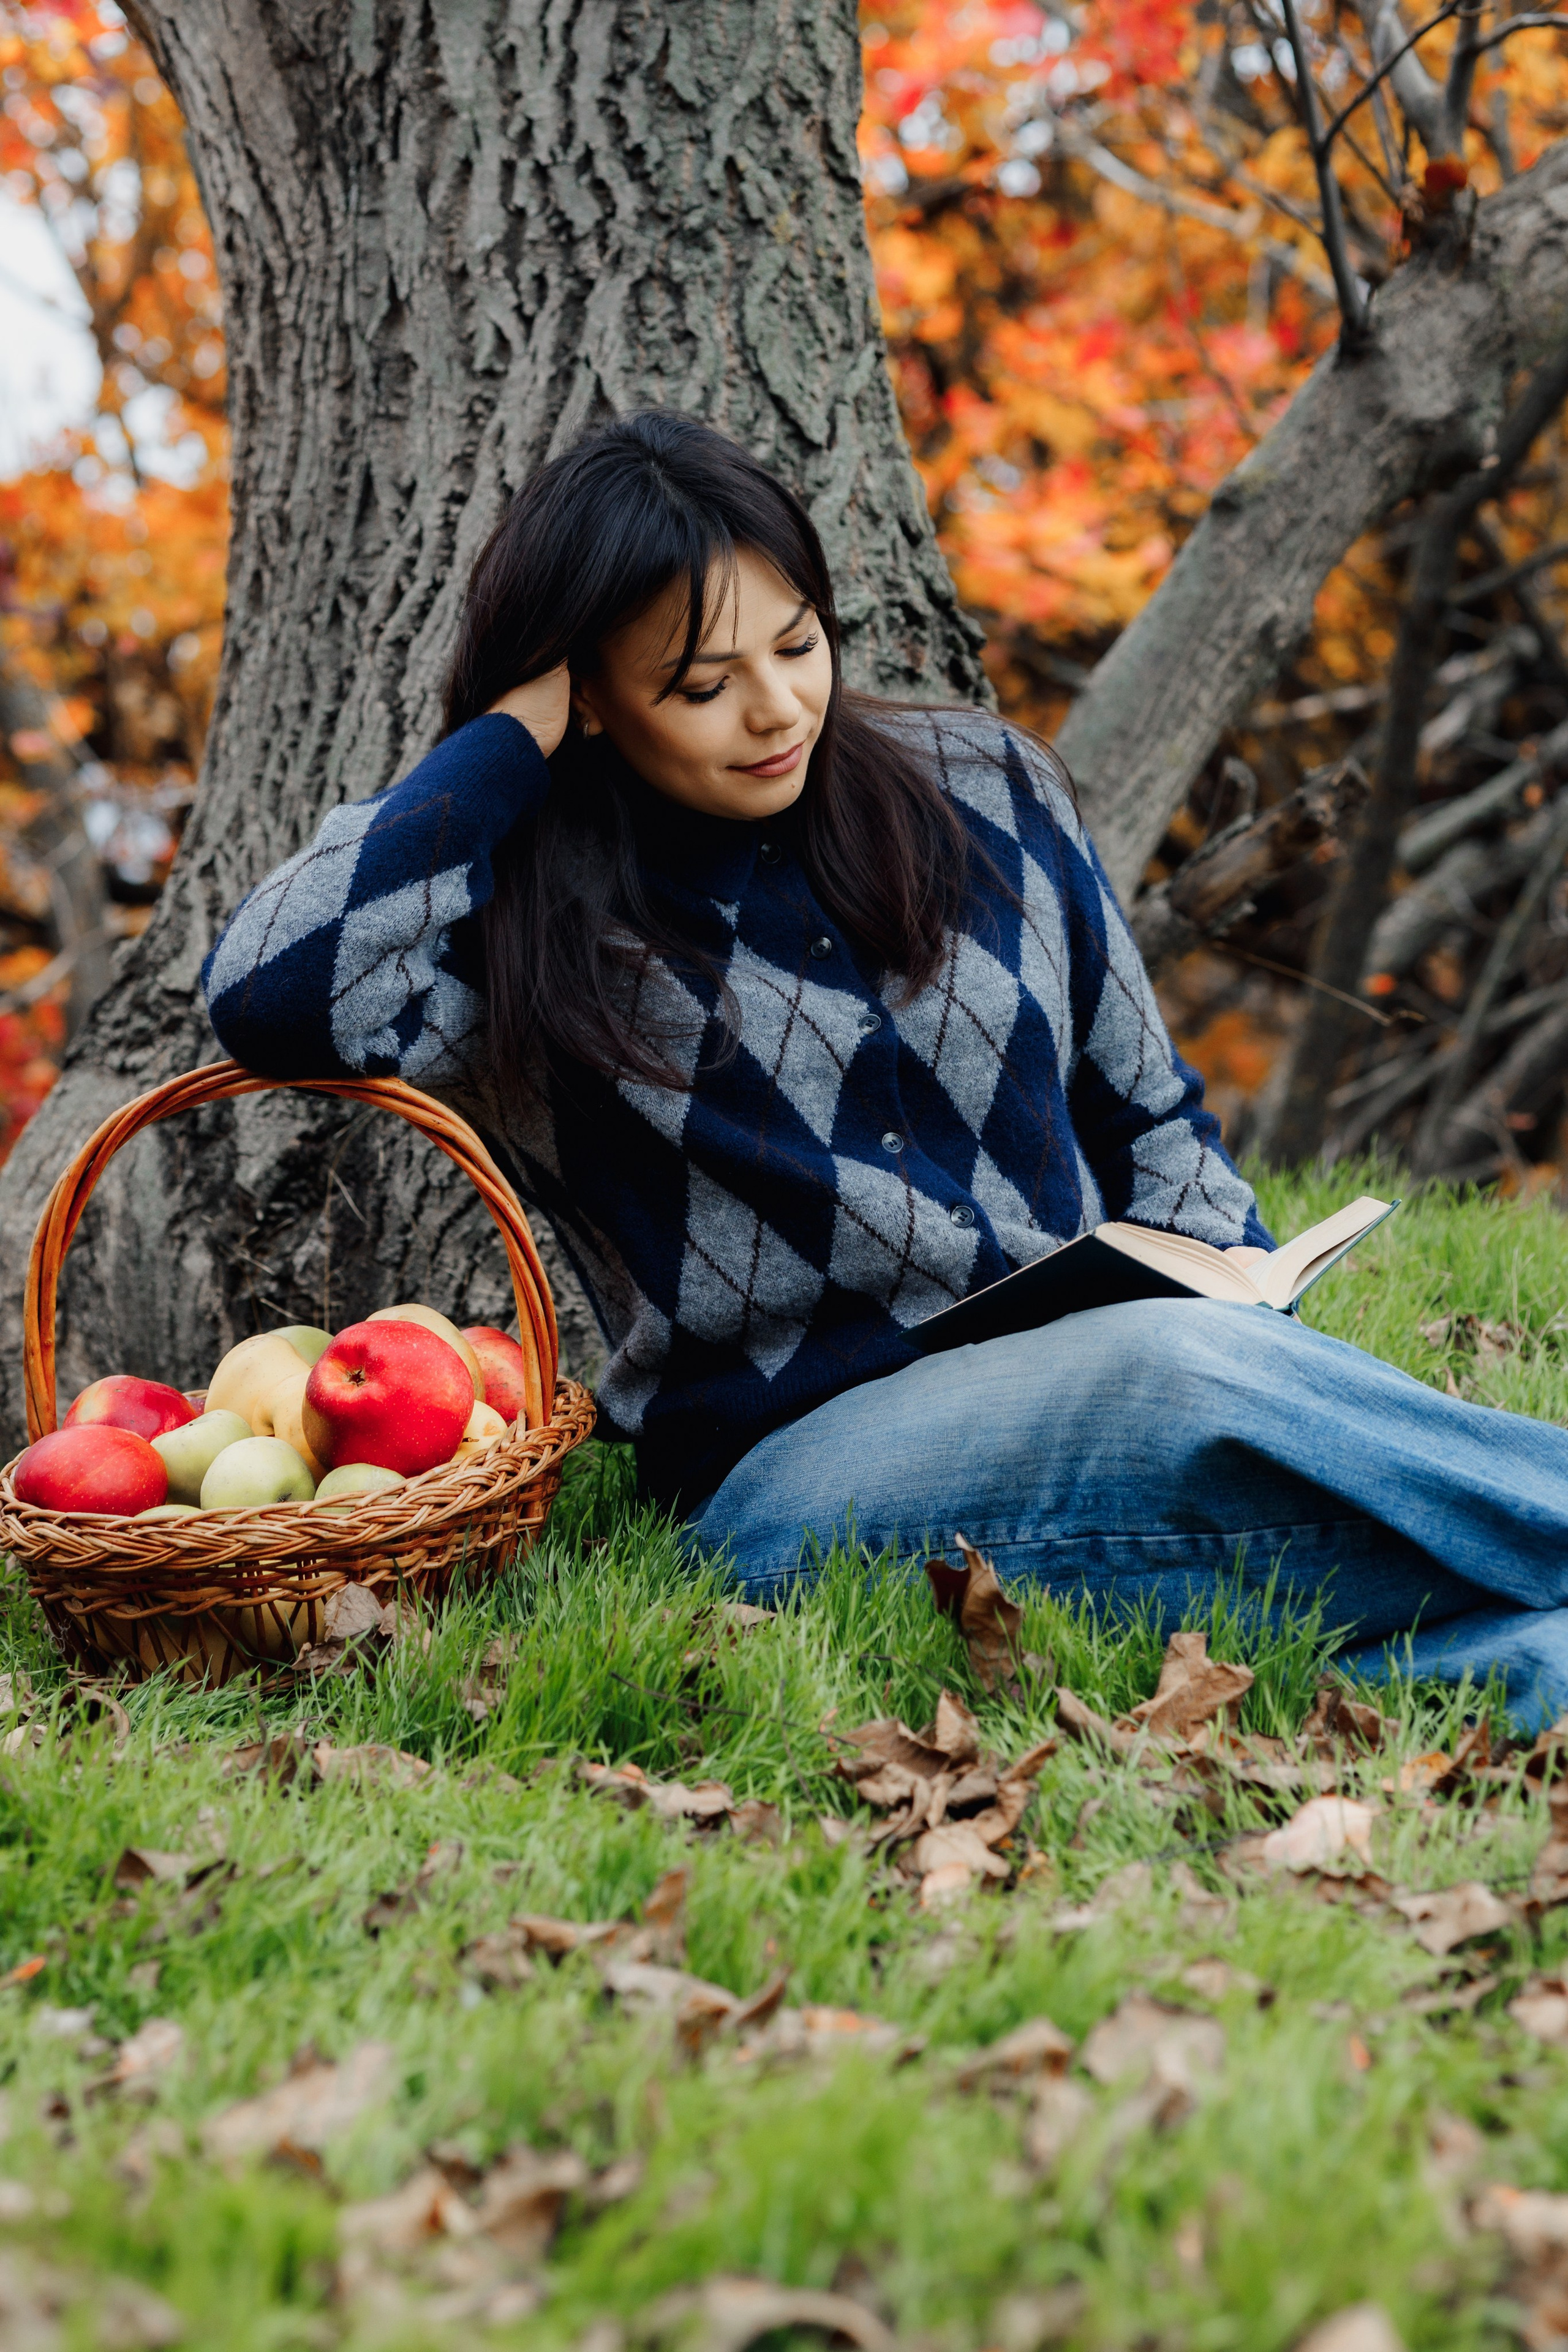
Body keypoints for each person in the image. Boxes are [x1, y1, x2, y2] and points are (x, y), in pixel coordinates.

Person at [205, 410, 1568, 1725]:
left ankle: (1531, 1670)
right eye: (700, 686)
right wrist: (505, 744)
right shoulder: (523, 935)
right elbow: (271, 996)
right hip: (797, 1473)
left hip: (1115, 1374)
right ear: (593, 701)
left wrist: (1250, 1305)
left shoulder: (989, 788)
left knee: (1222, 1446)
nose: (774, 709)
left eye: (797, 644)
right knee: (1175, 1381)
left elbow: (1148, 1114)